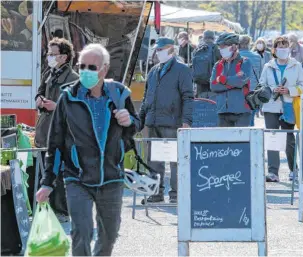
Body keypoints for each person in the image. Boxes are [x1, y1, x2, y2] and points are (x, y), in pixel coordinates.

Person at [36, 43, 140, 256]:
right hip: (77, 178)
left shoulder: (119, 94)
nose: (85, 71)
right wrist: (47, 182)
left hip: (111, 177)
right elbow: (55, 143)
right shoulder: (68, 97)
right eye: (82, 66)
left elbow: (136, 125)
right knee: (81, 232)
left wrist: (129, 121)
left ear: (104, 69)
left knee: (109, 235)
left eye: (92, 67)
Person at [139, 37, 194, 203]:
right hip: (153, 120)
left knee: (175, 160)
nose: (158, 52)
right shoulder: (154, 70)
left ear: (171, 49)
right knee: (154, 160)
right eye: (157, 49)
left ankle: (176, 195)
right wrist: (140, 119)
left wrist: (186, 121)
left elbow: (188, 97)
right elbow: (146, 97)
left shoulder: (182, 70)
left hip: (173, 121)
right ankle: (155, 193)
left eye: (161, 49)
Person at [34, 37, 79, 223]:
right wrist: (39, 99)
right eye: (48, 54)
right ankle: (46, 207)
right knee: (44, 171)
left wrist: (57, 106)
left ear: (64, 57)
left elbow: (77, 107)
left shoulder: (74, 79)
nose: (49, 57)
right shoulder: (49, 72)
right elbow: (40, 90)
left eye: (53, 54)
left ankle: (62, 211)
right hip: (44, 128)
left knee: (59, 172)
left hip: (62, 131)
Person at [259, 36, 303, 182]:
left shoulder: (296, 65)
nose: (283, 49)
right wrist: (274, 89)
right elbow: (262, 85)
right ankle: (273, 172)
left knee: (289, 139)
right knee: (272, 138)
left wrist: (290, 90)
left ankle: (294, 169)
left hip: (289, 106)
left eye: (285, 46)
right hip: (271, 106)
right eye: (280, 47)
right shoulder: (268, 66)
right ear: (274, 50)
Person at [210, 32, 252, 127]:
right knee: (224, 141)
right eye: (220, 47)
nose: (221, 49)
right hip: (222, 111)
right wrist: (233, 83)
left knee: (241, 141)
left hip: (242, 111)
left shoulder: (245, 62)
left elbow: (241, 81)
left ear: (234, 47)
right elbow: (213, 86)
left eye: (224, 46)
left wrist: (222, 79)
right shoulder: (218, 65)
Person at [238, 35, 262, 126]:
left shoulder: (235, 56)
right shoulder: (257, 57)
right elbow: (260, 75)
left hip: (239, 91)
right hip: (253, 91)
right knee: (251, 118)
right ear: (249, 43)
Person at [192, 30, 221, 99]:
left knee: (201, 104)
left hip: (199, 83)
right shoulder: (217, 49)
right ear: (213, 38)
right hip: (213, 82)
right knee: (213, 105)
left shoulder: (197, 49)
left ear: (203, 38)